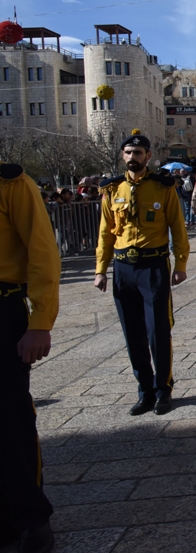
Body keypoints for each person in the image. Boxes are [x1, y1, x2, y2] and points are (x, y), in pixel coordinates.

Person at [94, 130, 189, 416]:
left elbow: (178, 228)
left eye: (138, 153)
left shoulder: (163, 187)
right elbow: (105, 233)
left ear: (148, 156)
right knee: (132, 333)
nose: (132, 157)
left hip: (154, 265)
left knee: (157, 331)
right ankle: (144, 391)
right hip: (124, 268)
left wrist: (181, 264)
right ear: (122, 156)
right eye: (127, 153)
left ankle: (163, 389)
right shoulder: (111, 190)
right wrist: (101, 269)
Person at [1, 161, 60, 553]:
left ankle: (30, 518)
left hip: (3, 309)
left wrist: (40, 321)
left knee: (10, 418)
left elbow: (42, 253)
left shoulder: (12, 184)